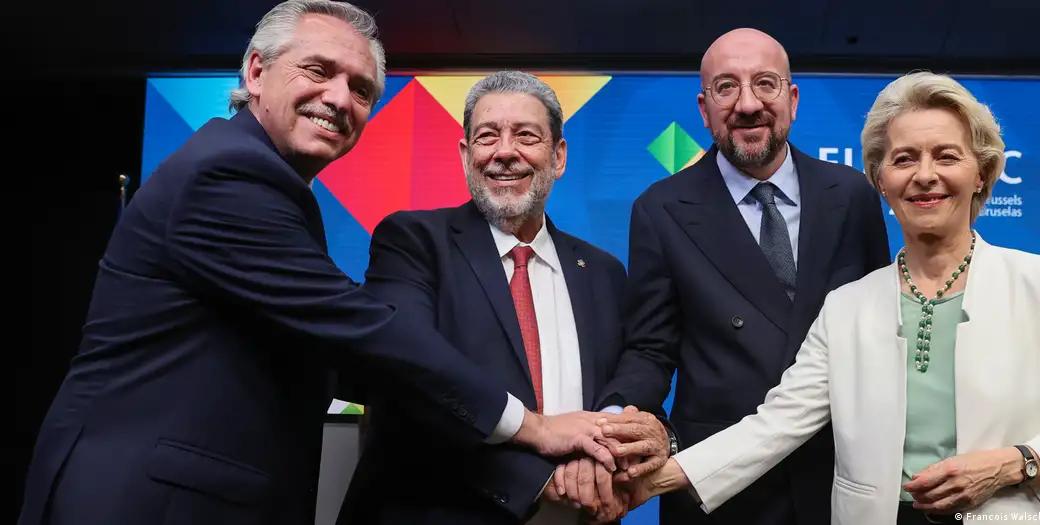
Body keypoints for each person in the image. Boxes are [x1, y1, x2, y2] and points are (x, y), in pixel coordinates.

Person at [18, 4, 613, 525]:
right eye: (318, 70)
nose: (338, 98)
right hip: (150, 499)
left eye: (360, 89)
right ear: (255, 71)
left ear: (559, 157)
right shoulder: (228, 173)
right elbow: (363, 331)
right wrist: (536, 429)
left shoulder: (264, 181)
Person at [615, 72, 1040, 525]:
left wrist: (1013, 462)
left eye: (946, 156)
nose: (924, 175)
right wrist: (650, 482)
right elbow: (772, 427)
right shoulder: (847, 307)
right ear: (880, 181)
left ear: (981, 172)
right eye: (904, 159)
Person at [335, 70, 667, 525]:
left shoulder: (604, 272)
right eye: (487, 136)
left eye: (526, 136)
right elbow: (407, 384)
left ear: (559, 156)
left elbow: (633, 378)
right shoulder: (413, 241)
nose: (504, 152)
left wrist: (616, 445)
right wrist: (541, 480)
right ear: (465, 154)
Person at [594, 27, 892, 525]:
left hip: (838, 473)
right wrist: (613, 419)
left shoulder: (852, 194)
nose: (748, 103)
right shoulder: (661, 209)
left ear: (793, 100)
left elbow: (881, 331)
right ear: (704, 108)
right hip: (719, 482)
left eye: (766, 84)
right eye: (726, 87)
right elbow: (650, 348)